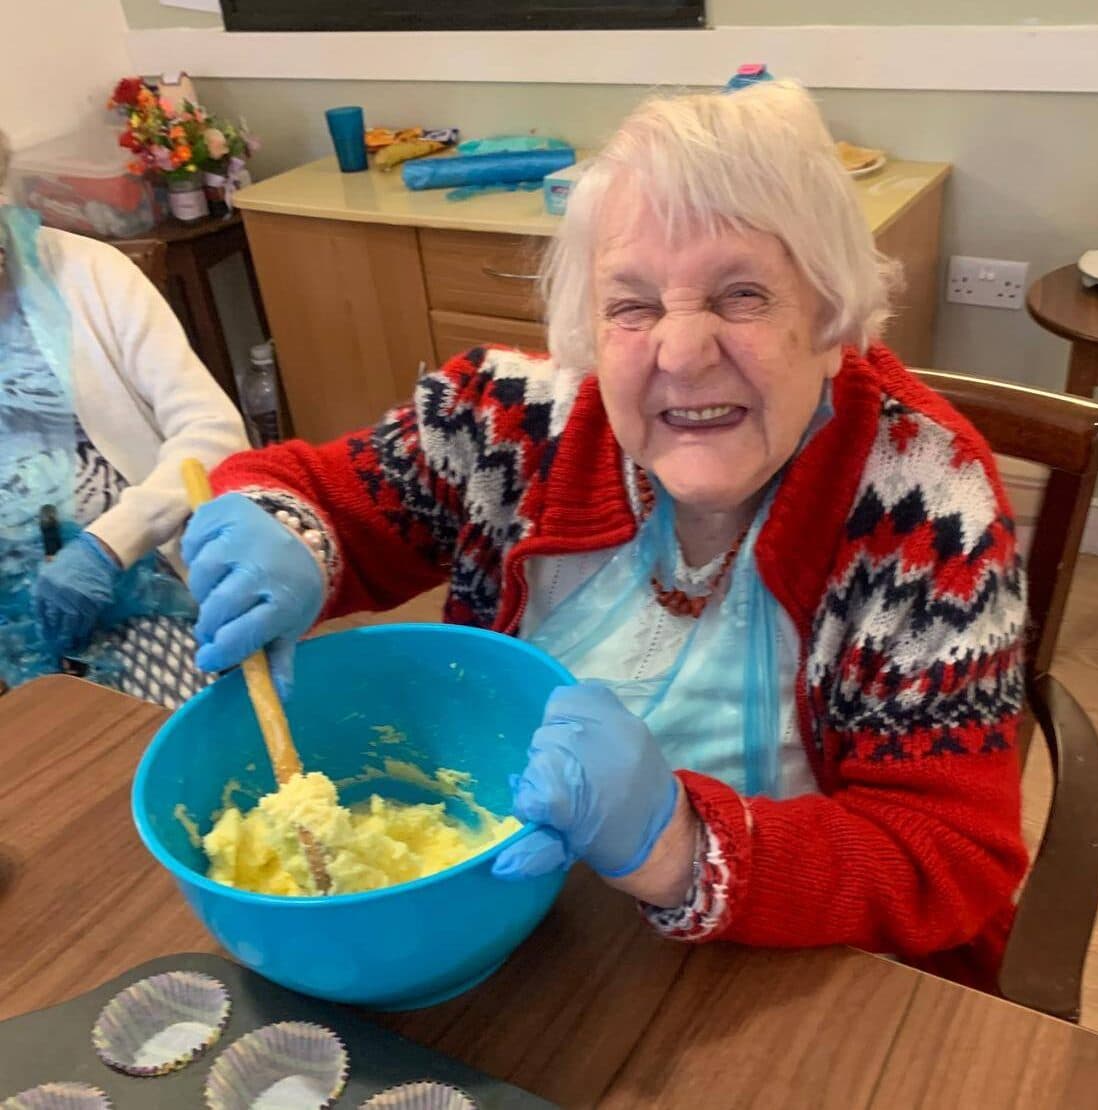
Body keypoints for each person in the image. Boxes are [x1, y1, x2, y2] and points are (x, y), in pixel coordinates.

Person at [182, 81, 1028, 986]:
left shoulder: (925, 504)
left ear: (832, 323)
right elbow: (310, 492)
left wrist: (679, 845)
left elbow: (948, 855)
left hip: (796, 981)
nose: (680, 350)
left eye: (742, 294)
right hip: (517, 931)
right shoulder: (510, 420)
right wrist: (286, 536)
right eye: (633, 306)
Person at [0, 127, 249, 707]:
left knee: (173, 748)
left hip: (138, 584)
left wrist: (108, 545)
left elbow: (212, 432)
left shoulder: (92, 275)